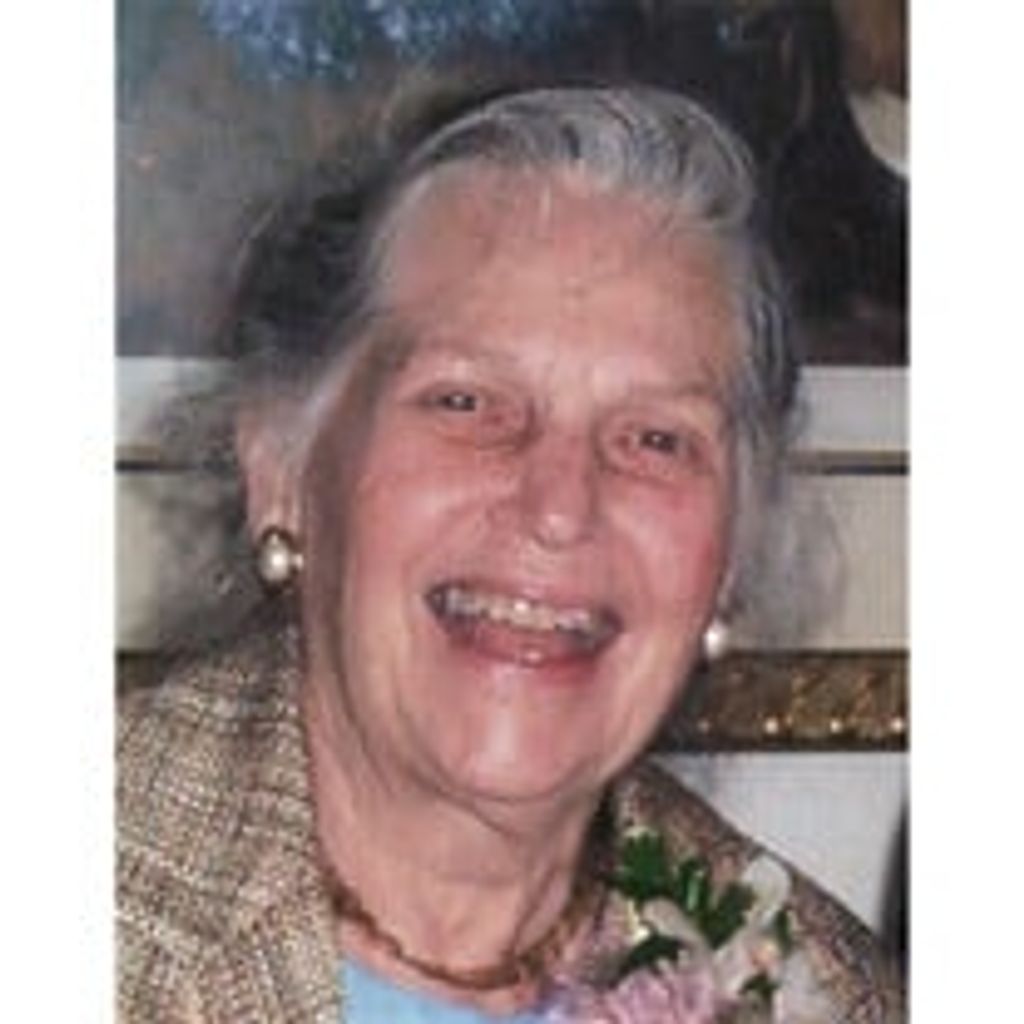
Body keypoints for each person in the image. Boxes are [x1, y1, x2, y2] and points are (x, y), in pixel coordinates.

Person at [118, 85, 903, 1022]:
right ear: (280, 470)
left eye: (656, 439)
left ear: (733, 551)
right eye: (466, 403)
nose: (560, 509)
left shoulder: (829, 995)